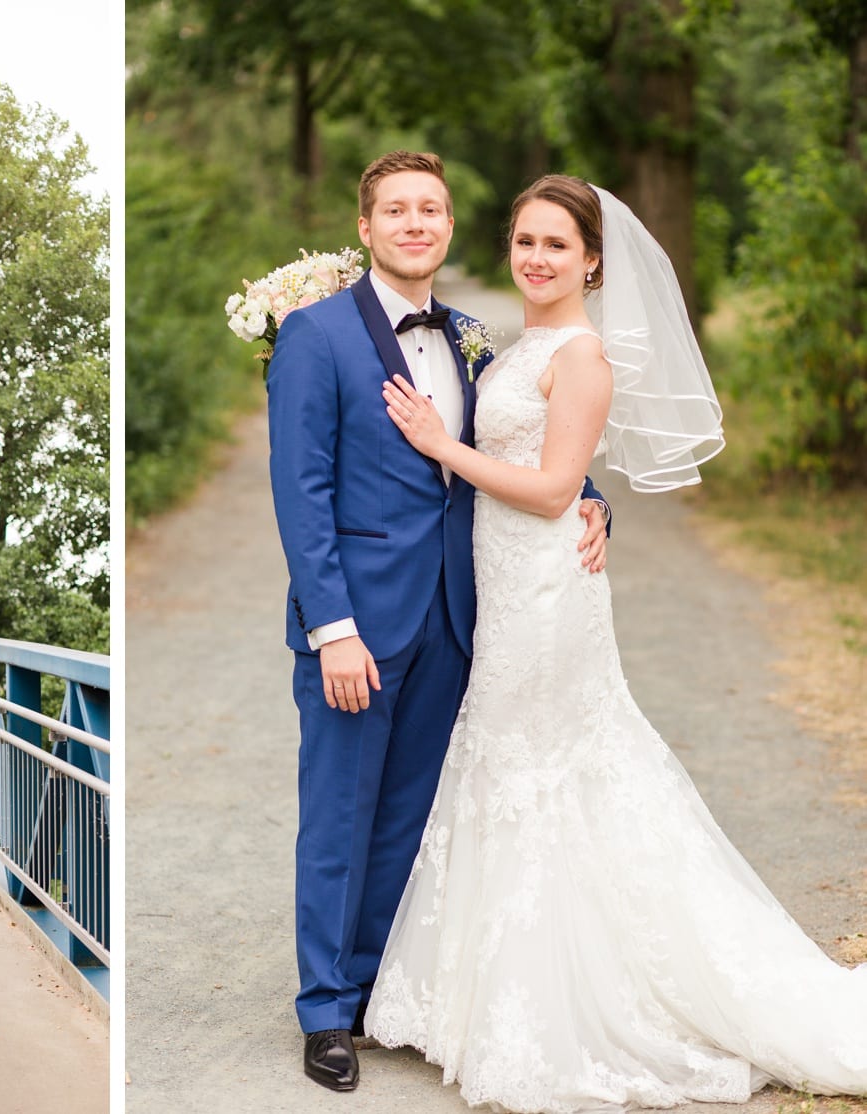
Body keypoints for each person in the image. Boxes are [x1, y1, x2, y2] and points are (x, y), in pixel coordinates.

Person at [365, 174, 867, 1109]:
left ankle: (559, 1005)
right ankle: (480, 996)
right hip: (511, 589)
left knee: (543, 773)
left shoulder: (584, 354)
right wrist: (576, 496)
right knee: (509, 768)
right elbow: (565, 480)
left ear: (593, 260)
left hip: (549, 598)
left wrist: (443, 443)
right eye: (525, 240)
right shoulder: (522, 344)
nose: (537, 258)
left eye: (558, 244)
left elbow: (555, 489)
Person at [265, 150, 612, 1092]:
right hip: (357, 625)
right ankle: (326, 1010)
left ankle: (379, 986)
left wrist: (591, 502)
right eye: (397, 211)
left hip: (463, 618)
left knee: (412, 816)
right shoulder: (313, 334)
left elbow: (531, 441)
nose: (416, 224)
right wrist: (331, 625)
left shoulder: (472, 338)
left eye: (432, 210)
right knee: (339, 811)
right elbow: (301, 493)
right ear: (367, 228)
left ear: (449, 229)